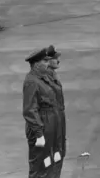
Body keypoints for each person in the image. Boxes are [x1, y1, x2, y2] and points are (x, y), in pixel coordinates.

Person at [23, 48, 62, 178]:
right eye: (44, 61)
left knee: (50, 162)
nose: (47, 63)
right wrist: (39, 133)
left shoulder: (42, 78)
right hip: (42, 126)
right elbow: (29, 110)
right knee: (39, 166)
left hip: (50, 124)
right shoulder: (31, 82)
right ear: (36, 64)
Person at [43, 45, 66, 178]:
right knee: (51, 153)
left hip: (58, 116)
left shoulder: (53, 74)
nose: (58, 61)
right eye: (55, 58)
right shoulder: (45, 78)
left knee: (59, 151)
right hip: (51, 118)